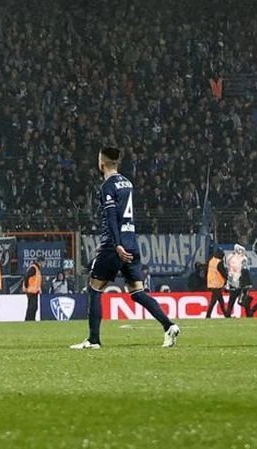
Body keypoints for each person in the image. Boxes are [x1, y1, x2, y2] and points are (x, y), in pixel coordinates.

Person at [72, 147, 180, 349]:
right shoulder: (127, 183)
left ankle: (93, 340)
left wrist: (116, 244)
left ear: (102, 163)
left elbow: (112, 217)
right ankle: (169, 325)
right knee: (137, 292)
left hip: (115, 245)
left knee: (94, 288)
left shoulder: (107, 186)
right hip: (131, 242)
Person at [225, 244, 250, 317]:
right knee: (244, 299)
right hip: (240, 282)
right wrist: (247, 283)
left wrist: (228, 283)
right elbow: (245, 270)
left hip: (233, 281)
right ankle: (249, 314)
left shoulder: (230, 257)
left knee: (231, 300)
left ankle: (228, 314)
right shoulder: (243, 258)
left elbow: (229, 270)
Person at [204, 248, 228, 318]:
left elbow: (207, 271)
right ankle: (208, 315)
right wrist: (227, 278)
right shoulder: (219, 262)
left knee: (221, 301)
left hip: (211, 282)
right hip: (217, 283)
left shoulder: (211, 260)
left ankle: (226, 315)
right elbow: (223, 272)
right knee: (213, 301)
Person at [23, 256, 45, 321]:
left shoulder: (37, 269)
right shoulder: (33, 268)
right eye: (43, 262)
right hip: (31, 291)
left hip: (34, 291)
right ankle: (28, 320)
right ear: (40, 262)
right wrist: (26, 286)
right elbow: (26, 277)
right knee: (31, 307)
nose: (44, 264)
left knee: (34, 307)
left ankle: (31, 320)